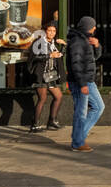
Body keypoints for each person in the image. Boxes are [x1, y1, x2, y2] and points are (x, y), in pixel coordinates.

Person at [66, 16, 104, 152]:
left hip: (88, 81)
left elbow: (93, 58)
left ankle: (79, 136)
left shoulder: (84, 40)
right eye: (93, 26)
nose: (95, 28)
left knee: (99, 107)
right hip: (80, 82)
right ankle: (77, 142)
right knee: (81, 113)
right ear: (88, 27)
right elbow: (76, 64)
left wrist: (97, 46)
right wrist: (82, 84)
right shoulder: (77, 41)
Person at [29, 23, 64, 132]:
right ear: (45, 31)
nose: (52, 33)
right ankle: (35, 125)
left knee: (58, 96)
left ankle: (52, 121)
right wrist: (49, 55)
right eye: (49, 30)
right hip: (40, 75)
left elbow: (58, 56)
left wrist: (63, 46)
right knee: (42, 99)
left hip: (50, 76)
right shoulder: (38, 43)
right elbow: (34, 57)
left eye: (54, 31)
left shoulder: (52, 43)